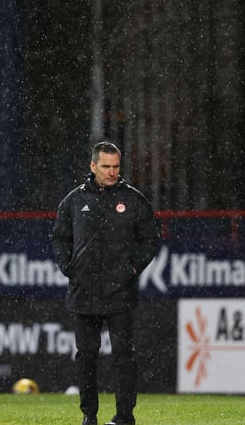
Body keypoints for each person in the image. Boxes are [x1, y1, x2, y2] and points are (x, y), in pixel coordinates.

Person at [50, 141, 160, 425]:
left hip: (119, 292)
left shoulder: (134, 200)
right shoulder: (73, 201)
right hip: (83, 292)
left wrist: (133, 268)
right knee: (86, 357)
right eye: (106, 166)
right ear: (93, 166)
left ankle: (124, 417)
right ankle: (89, 416)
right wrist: (67, 267)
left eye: (116, 167)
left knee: (124, 357)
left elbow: (150, 241)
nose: (112, 172)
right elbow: (59, 237)